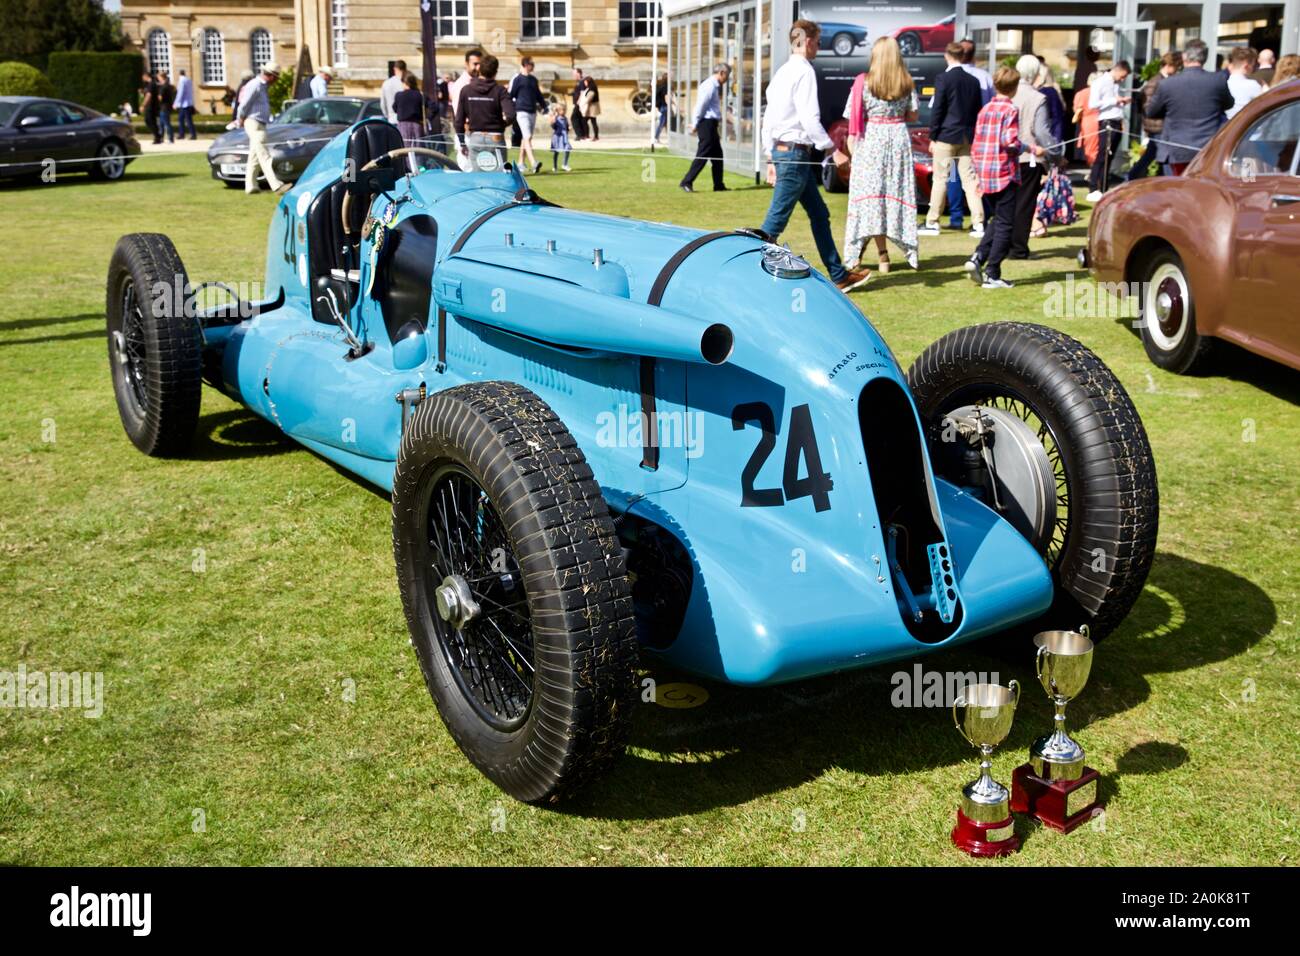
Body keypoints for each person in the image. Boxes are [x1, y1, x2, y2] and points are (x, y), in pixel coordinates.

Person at [759, 19, 867, 293]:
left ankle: (838, 274)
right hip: (795, 155)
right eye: (818, 42)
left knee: (820, 214)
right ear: (807, 41)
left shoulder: (783, 72)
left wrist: (769, 156)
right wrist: (834, 150)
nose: (819, 47)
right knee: (774, 224)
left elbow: (769, 118)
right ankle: (750, 275)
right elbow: (809, 118)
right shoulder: (804, 72)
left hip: (790, 155)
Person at [842, 37, 920, 279]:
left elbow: (850, 115)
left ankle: (870, 254)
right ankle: (886, 254)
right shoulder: (906, 82)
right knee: (893, 197)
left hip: (872, 139)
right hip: (897, 139)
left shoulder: (864, 83)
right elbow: (914, 115)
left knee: (870, 199)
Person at [966, 66, 1045, 290]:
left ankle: (978, 257)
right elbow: (1009, 142)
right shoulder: (1010, 109)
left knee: (997, 219)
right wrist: (1031, 148)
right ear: (1014, 87)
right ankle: (993, 272)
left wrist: (978, 174)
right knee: (1005, 225)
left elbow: (977, 144)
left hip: (986, 173)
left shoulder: (985, 109)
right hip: (1003, 173)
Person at [920, 42, 984, 238]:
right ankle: (978, 223)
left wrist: (933, 136)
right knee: (970, 180)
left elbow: (938, 110)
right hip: (966, 136)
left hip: (946, 136)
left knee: (940, 179)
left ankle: (932, 222)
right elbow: (977, 110)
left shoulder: (943, 79)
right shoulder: (973, 81)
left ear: (947, 56)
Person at [1145, 39, 1234, 175]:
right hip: (1207, 147)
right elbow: (1228, 104)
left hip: (1177, 148)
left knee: (1176, 190)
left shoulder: (1168, 84)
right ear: (1205, 58)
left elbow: (1151, 112)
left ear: (1184, 57)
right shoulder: (1218, 80)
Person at [1008, 54, 1061, 257]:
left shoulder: (1007, 93)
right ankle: (1018, 248)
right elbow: (1042, 132)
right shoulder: (1038, 98)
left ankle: (1005, 245)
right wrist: (1055, 152)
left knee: (1008, 204)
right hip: (1028, 157)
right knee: (1025, 204)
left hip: (1007, 155)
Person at [235, 62, 290, 195]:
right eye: (276, 77)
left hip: (260, 123)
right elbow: (244, 103)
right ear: (270, 76)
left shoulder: (263, 86)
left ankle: (250, 186)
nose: (276, 81)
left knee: (254, 156)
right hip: (253, 122)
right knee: (264, 154)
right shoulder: (255, 84)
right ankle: (276, 185)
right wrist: (240, 118)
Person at [455, 52, 515, 171]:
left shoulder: (466, 90)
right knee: (499, 178)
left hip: (475, 137)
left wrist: (462, 143)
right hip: (496, 137)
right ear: (495, 72)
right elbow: (511, 115)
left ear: (480, 69)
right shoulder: (500, 91)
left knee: (478, 178)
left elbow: (458, 121)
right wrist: (501, 124)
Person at [1129, 52, 1181, 181]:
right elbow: (1149, 108)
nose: (1177, 71)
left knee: (1151, 156)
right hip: (1158, 127)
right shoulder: (1156, 82)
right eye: (1176, 67)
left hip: (1159, 126)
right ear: (1169, 65)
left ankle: (1132, 178)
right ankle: (1167, 183)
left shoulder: (1161, 81)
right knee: (1164, 158)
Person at [679, 63, 730, 193]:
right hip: (706, 123)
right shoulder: (709, 86)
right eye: (727, 75)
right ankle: (686, 182)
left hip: (711, 124)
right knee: (703, 153)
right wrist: (695, 123)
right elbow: (701, 106)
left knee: (718, 156)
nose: (727, 79)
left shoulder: (714, 86)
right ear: (722, 73)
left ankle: (718, 185)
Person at [1085, 59, 1130, 201]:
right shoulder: (1100, 82)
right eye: (1122, 76)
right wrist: (1114, 100)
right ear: (1117, 70)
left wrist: (1121, 101)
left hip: (1117, 121)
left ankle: (1104, 186)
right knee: (1102, 155)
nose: (1122, 80)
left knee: (1109, 156)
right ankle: (1093, 187)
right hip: (1107, 122)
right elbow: (1093, 104)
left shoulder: (1115, 84)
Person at [509, 57, 545, 174]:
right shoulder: (518, 79)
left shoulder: (534, 80)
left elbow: (539, 95)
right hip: (521, 111)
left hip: (532, 111)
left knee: (526, 138)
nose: (533, 66)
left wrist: (545, 107)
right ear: (525, 65)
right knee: (527, 137)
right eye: (531, 64)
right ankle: (534, 162)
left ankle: (520, 163)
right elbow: (512, 94)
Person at [449, 50, 483, 169]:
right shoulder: (461, 85)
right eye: (475, 64)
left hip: (479, 134)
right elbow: (459, 113)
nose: (478, 67)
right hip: (467, 135)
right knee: (467, 172)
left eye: (480, 64)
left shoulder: (479, 82)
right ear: (466, 64)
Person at [1226, 47, 1263, 119]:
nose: (1254, 68)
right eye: (1253, 65)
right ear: (1246, 66)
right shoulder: (1253, 85)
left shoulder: (1224, 84)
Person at [394, 73, 424, 148]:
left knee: (405, 148)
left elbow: (395, 108)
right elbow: (434, 107)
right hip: (416, 124)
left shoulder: (399, 95)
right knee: (418, 148)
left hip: (403, 125)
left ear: (405, 83)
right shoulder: (418, 94)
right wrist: (428, 118)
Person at [174, 69, 196, 140]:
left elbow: (180, 93)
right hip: (188, 102)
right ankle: (182, 134)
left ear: (179, 74)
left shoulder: (181, 81)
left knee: (186, 119)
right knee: (183, 119)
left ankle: (191, 134)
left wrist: (176, 103)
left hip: (184, 104)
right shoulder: (188, 80)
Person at [549, 103, 572, 171]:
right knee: (556, 152)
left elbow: (566, 127)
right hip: (557, 137)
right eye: (562, 110)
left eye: (565, 110)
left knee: (567, 149)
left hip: (564, 137)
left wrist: (569, 128)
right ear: (558, 111)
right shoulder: (556, 118)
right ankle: (555, 166)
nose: (564, 111)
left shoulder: (565, 118)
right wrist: (553, 118)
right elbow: (553, 126)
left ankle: (564, 164)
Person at [157, 71, 176, 144]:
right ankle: (161, 138)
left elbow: (160, 98)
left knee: (166, 124)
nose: (158, 79)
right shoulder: (168, 85)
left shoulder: (163, 87)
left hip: (163, 107)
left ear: (161, 77)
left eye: (159, 77)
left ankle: (171, 139)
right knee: (162, 124)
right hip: (167, 107)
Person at [569, 68, 589, 140]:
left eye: (574, 74)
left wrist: (578, 102)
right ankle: (583, 135)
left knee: (574, 118)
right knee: (580, 119)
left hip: (580, 103)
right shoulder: (580, 82)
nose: (573, 76)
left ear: (578, 74)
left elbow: (583, 92)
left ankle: (579, 135)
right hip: (580, 103)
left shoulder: (582, 81)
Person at [141, 71, 160, 144]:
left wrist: (143, 105)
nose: (142, 78)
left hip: (151, 106)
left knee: (149, 121)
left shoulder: (151, 84)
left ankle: (157, 137)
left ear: (146, 76)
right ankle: (157, 136)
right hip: (151, 106)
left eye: (143, 76)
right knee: (152, 121)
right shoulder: (150, 84)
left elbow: (149, 96)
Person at [654, 72, 668, 143]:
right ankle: (656, 137)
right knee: (662, 123)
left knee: (665, 123)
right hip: (665, 106)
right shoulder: (665, 87)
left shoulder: (660, 86)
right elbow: (666, 97)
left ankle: (657, 137)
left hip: (661, 106)